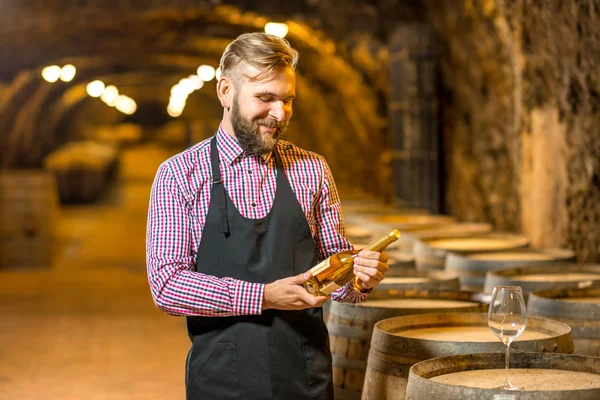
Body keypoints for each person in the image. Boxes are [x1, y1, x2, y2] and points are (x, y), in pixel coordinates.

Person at [146, 32, 390, 400]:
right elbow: (167, 286)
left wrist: (360, 279)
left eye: (288, 100)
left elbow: (336, 273)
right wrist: (264, 296)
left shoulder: (311, 169)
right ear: (225, 92)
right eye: (266, 98)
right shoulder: (179, 174)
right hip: (220, 381)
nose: (280, 114)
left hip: (305, 378)